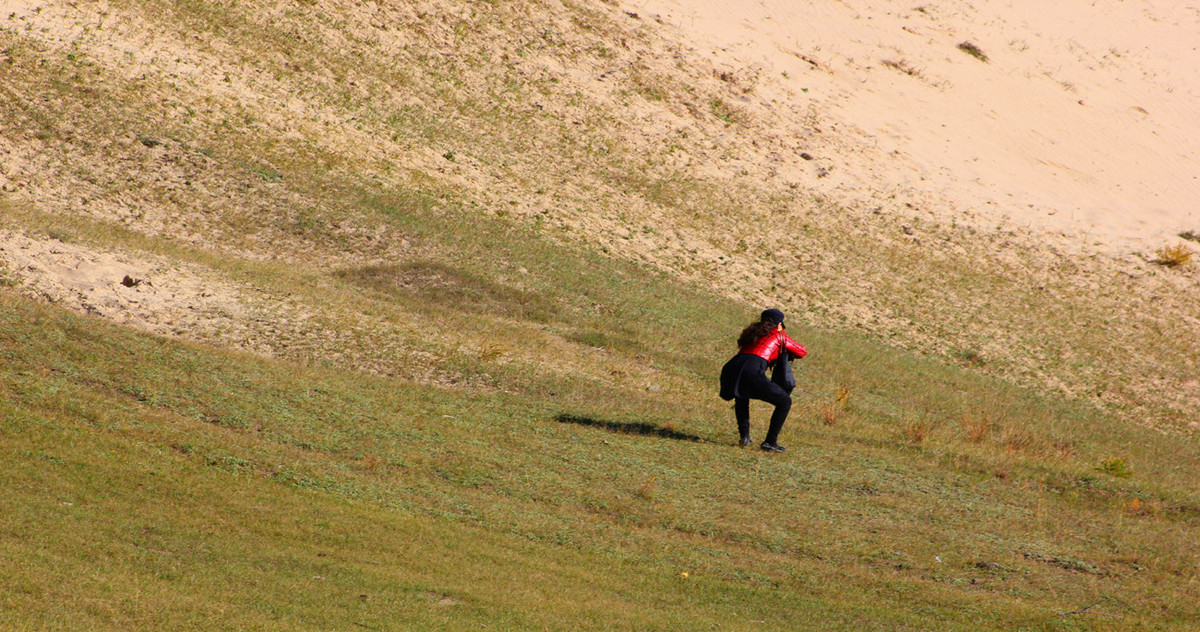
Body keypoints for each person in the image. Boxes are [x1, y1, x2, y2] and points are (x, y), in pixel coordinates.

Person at [718, 308, 807, 452]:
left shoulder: (753, 332)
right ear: (779, 324)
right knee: (785, 402)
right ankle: (770, 442)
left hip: (732, 367)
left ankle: (745, 438)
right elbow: (801, 351)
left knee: (742, 396)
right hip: (752, 368)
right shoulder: (779, 335)